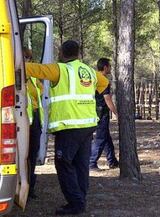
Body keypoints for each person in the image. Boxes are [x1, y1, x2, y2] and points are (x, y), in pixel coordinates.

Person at [25, 40, 109, 215]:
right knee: (81, 164)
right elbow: (104, 83)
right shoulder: (89, 72)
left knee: (63, 163)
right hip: (87, 126)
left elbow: (32, 69)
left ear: (62, 53)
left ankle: (76, 203)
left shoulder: (59, 69)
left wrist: (16, 60)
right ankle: (80, 199)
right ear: (79, 54)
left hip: (69, 126)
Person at [89, 58, 119, 171]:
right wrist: (115, 113)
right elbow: (107, 99)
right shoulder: (103, 80)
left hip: (94, 110)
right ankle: (91, 162)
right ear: (105, 67)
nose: (110, 68)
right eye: (110, 66)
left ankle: (112, 161)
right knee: (101, 138)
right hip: (101, 112)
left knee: (106, 137)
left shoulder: (94, 77)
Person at [23, 48, 43, 199]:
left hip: (34, 120)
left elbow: (40, 93)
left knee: (32, 154)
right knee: (22, 155)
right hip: (21, 120)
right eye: (24, 58)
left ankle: (30, 187)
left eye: (28, 58)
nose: (27, 61)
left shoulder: (33, 77)